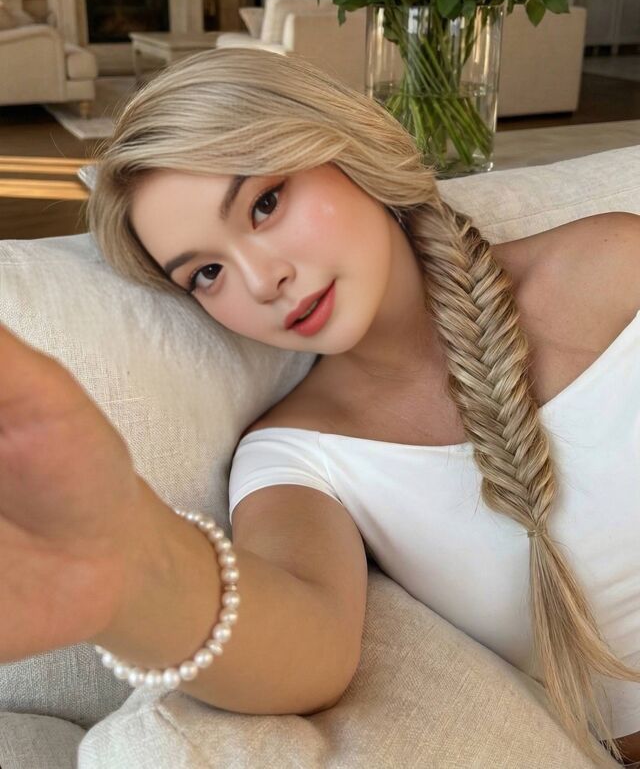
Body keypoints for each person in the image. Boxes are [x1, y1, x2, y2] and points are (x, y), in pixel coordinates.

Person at [0, 48, 638, 766]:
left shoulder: (617, 261)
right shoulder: (294, 454)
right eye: (206, 272)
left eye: (265, 203)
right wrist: (128, 571)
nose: (260, 279)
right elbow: (309, 645)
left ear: (347, 148)